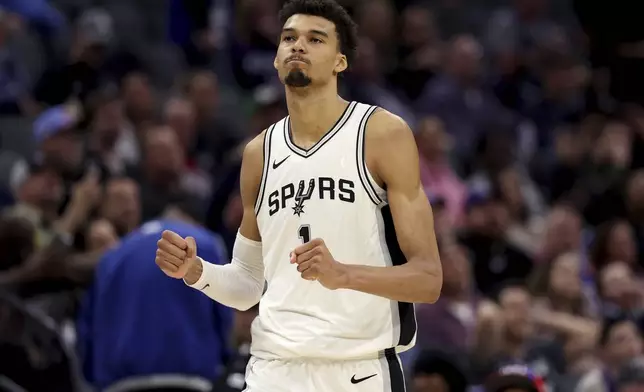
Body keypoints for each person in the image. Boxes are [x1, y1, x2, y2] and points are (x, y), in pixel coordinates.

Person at [155, 0, 443, 391]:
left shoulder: (381, 133)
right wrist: (195, 272)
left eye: (315, 38)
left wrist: (342, 274)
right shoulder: (259, 153)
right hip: (273, 370)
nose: (298, 46)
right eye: (288, 38)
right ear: (275, 60)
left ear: (340, 61)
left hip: (356, 369)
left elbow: (427, 279)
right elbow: (247, 284)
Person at [77, 207, 232, 392]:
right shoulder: (206, 244)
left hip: (121, 382)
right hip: (189, 380)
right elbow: (224, 314)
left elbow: (88, 331)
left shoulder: (112, 256)